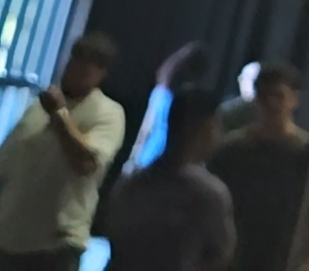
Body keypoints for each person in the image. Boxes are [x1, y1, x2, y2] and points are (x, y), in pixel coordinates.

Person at [0, 32, 128, 271]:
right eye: (77, 60)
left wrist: (59, 115)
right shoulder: (38, 109)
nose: (79, 69)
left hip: (54, 247)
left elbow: (87, 163)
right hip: (3, 239)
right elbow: (4, 168)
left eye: (91, 65)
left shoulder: (108, 113)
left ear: (102, 74)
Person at [101, 85, 241, 271]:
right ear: (206, 128)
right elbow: (220, 258)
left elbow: (115, 242)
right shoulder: (209, 194)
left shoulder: (129, 185)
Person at [204, 63, 309, 271]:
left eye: (278, 96)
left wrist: (304, 262)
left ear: (295, 99)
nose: (271, 103)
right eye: (264, 96)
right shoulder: (232, 149)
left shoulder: (305, 153)